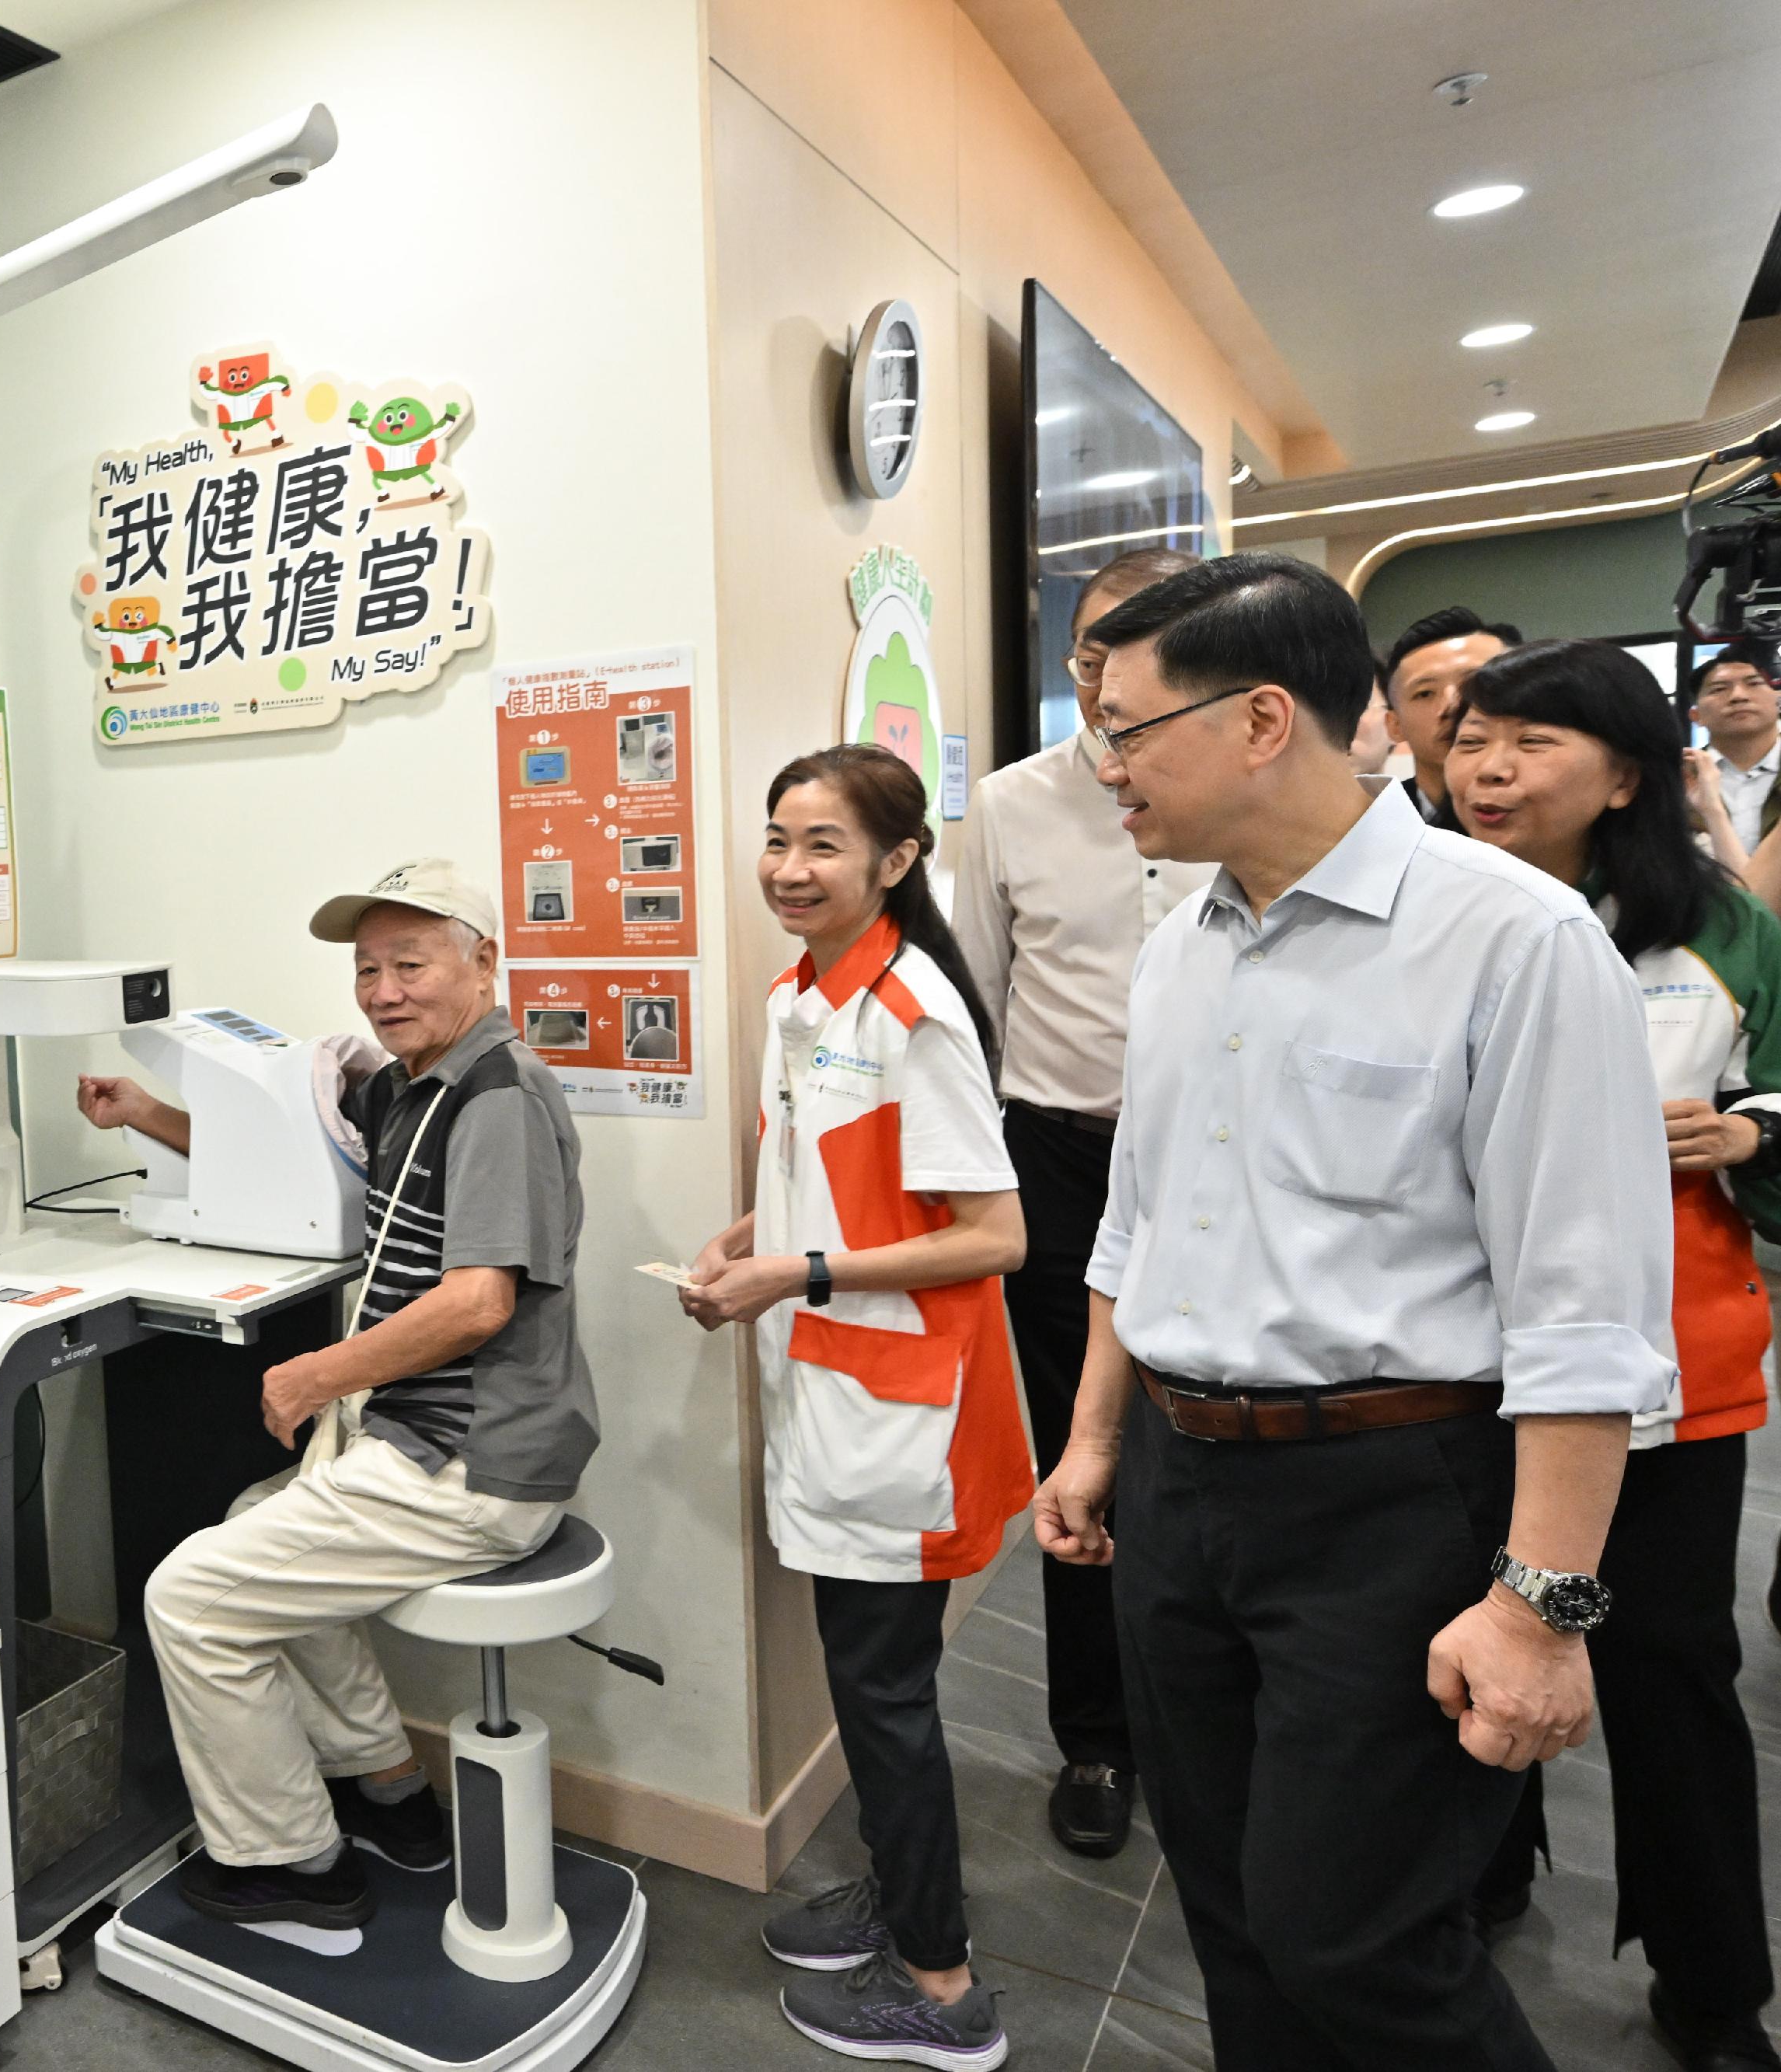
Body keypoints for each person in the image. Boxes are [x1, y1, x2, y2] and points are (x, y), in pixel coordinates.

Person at [1030, 552, 1671, 2071]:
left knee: (1358, 1940)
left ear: (1259, 720)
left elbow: (1581, 1308)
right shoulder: (1179, 941)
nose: (1097, 763)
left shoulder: (1507, 939)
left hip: (1388, 1501)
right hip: (1180, 1492)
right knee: (1234, 1912)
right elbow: (1137, 1217)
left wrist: (1538, 1610)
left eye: (1120, 726)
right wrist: (1089, 1438)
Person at [79, 859, 595, 1931]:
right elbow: (275, 1143)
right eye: (369, 968)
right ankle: (391, 1789)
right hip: (424, 1434)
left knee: (189, 1599)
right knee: (247, 1528)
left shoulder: (498, 1098)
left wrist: (320, 1373)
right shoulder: (417, 1086)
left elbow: (478, 1305)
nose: (383, 989)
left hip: (475, 1460)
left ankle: (293, 1863)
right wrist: (146, 1112)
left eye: (412, 963)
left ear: (484, 963)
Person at [1445, 640, 1781, 2072]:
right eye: (1473, 741)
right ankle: (1483, 1878)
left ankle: (1711, 1985)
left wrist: (1751, 1133)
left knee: (1668, 1670)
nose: (1490, 770)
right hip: (1464, 1362)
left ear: (1627, 773)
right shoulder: (1430, 912)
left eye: (1530, 743)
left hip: (1673, 1368)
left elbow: (1777, 1081)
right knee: (1466, 1643)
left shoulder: (1715, 921)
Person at [685, 744, 1029, 2070]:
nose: (788, 867)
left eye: (822, 843)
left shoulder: (910, 1010)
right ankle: (901, 1893)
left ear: (896, 861)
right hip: (832, 1385)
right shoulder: (800, 996)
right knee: (872, 1679)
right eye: (777, 837)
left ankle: (941, 1990)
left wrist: (797, 1269)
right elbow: (822, 1186)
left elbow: (994, 1236)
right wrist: (746, 1240)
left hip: (901, 1414)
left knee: (883, 1693)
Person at [953, 543, 1211, 1858]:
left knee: (1218, 1438)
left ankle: (1220, 1725)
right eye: (1102, 641)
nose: (1120, 664)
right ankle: (1099, 1739)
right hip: (1059, 1154)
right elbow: (983, 997)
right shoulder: (1009, 802)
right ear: (1075, 656)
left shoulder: (1246, 792)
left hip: (1222, 1159)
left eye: (1159, 635)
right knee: (1078, 1450)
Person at [1382, 604, 1520, 825]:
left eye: (1475, 682)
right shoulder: (1371, 826)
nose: (1453, 705)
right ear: (1395, 725)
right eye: (1425, 693)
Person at [1685, 638, 1781, 866]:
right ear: (1696, 716)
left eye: (1754, 683)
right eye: (1719, 689)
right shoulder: (1676, 778)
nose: (1739, 696)